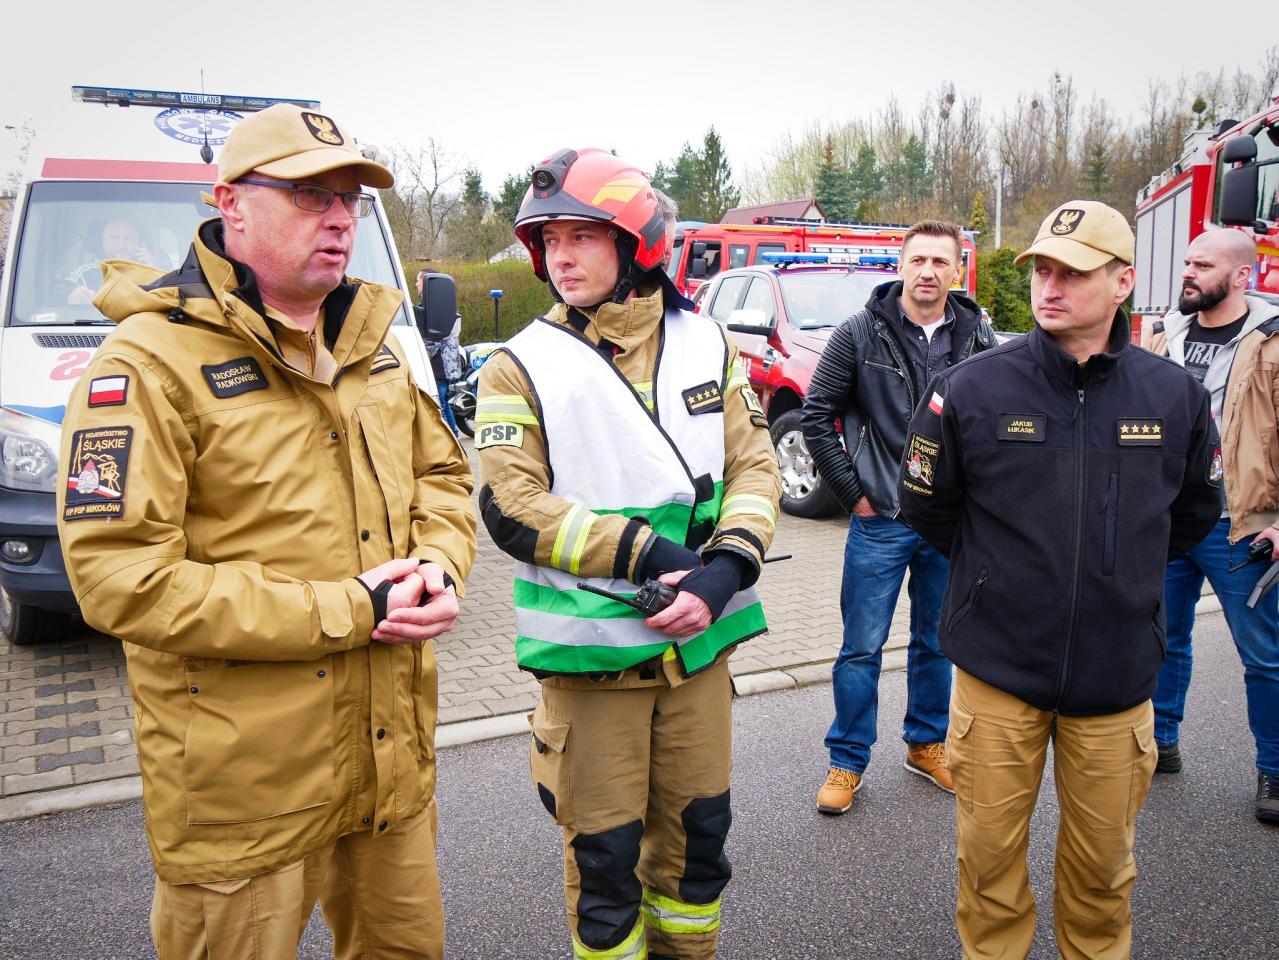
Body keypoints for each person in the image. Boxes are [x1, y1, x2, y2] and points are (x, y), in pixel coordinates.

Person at [56, 103, 477, 959]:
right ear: (229, 202)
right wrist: (347, 608)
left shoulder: (379, 347)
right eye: (308, 194)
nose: (337, 217)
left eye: (351, 199)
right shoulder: (144, 363)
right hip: (242, 790)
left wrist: (438, 561)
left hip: (386, 766)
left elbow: (443, 476)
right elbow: (117, 577)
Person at [475, 148, 780, 960]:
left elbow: (754, 465)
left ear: (636, 242)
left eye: (581, 235)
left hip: (698, 643)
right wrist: (650, 556)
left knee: (696, 855)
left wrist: (725, 572)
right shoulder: (517, 365)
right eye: (548, 240)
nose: (560, 256)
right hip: (593, 661)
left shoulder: (705, 340)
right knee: (605, 874)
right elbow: (510, 506)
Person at [898, 200, 1222, 960]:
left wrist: (1115, 582)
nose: (1049, 286)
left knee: (1103, 874)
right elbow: (926, 505)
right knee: (986, 869)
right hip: (997, 673)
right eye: (1041, 268)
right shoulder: (970, 388)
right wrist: (998, 582)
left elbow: (1194, 514)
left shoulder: (1172, 397)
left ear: (1121, 283)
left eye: (1071, 273)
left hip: (1114, 681)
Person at [800, 219, 996, 814]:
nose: (929, 272)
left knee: (936, 643)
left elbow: (998, 420)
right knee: (861, 646)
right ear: (902, 266)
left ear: (956, 270)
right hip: (879, 517)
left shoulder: (978, 334)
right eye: (919, 261)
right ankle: (847, 760)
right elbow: (816, 415)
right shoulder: (859, 333)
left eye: (941, 262)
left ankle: (927, 744)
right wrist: (852, 492)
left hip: (947, 524)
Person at [1144, 228, 1279, 824]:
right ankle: (1161, 742)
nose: (1188, 272)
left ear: (1242, 276)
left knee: (1267, 658)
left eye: (1203, 264)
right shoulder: (1163, 335)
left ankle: (1274, 770)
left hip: (1241, 525)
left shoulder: (1272, 342)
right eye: (1187, 261)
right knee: (1162, 639)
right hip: (1168, 522)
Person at [417, 269, 464, 436]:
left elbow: (432, 342)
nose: (416, 284)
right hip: (443, 367)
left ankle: (450, 439)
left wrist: (417, 357)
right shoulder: (442, 306)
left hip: (439, 367)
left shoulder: (436, 309)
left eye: (419, 280)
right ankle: (455, 435)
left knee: (440, 406)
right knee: (444, 403)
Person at [65, 215, 154, 304]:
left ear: (139, 242)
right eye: (115, 238)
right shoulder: (84, 275)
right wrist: (72, 295)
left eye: (128, 238)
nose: (121, 245)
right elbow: (60, 293)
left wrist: (152, 271)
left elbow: (162, 303)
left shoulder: (151, 269)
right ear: (103, 240)